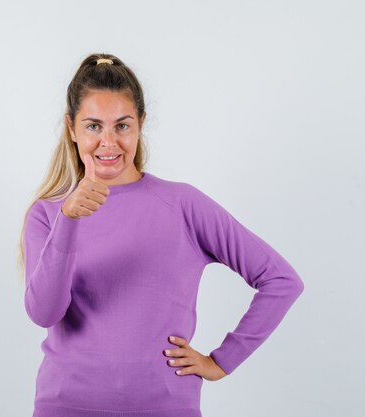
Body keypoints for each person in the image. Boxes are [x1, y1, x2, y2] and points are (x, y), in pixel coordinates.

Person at [17, 53, 304, 417]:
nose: (108, 142)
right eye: (93, 126)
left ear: (140, 125)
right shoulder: (47, 214)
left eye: (122, 126)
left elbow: (281, 280)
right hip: (67, 406)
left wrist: (221, 361)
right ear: (71, 128)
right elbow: (44, 312)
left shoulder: (182, 204)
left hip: (165, 407)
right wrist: (69, 219)